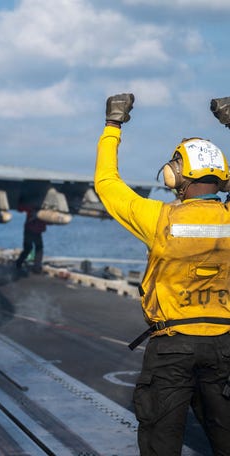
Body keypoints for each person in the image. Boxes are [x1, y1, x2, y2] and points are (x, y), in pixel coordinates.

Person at [94, 93, 230, 455]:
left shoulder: (159, 219)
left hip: (171, 347)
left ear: (175, 175)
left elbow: (107, 183)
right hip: (224, 348)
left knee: (161, 444)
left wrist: (113, 126)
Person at [15, 205, 47, 273]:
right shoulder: (44, 209)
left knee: (29, 248)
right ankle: (36, 267)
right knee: (38, 248)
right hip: (34, 230)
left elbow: (20, 209)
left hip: (31, 229)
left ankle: (19, 263)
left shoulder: (33, 206)